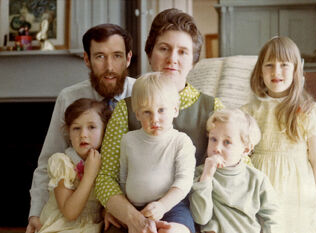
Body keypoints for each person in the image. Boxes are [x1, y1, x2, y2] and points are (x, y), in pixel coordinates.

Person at [95, 8, 225, 233]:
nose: (172, 59)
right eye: (164, 48)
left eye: (183, 52)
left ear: (193, 60)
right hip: (131, 211)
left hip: (185, 212)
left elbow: (234, 170)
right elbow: (106, 177)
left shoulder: (212, 108)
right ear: (150, 53)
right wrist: (131, 217)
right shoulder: (126, 109)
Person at [26, 23, 135, 233]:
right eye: (100, 57)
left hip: (126, 202)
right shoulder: (68, 97)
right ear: (87, 59)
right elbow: (47, 160)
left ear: (128, 58)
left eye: (117, 56)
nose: (110, 67)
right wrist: (35, 214)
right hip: (78, 209)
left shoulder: (142, 94)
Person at [241, 36, 316, 233]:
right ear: (260, 71)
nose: (276, 71)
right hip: (260, 190)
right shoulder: (249, 111)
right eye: (269, 65)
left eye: (284, 65)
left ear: (296, 70)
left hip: (296, 194)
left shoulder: (308, 111)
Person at [119, 72, 196, 232]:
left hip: (172, 207)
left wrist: (162, 205)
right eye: (147, 112)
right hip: (136, 209)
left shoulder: (181, 141)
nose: (154, 118)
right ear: (137, 114)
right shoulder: (128, 140)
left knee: (173, 231)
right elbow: (123, 177)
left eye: (161, 110)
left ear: (175, 110)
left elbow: (184, 182)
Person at [189, 109, 280, 233]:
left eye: (227, 142)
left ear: (245, 150)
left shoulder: (258, 180)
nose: (217, 148)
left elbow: (272, 219)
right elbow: (201, 218)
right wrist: (207, 176)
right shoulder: (200, 174)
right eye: (213, 139)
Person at [37, 98, 111, 233]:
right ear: (69, 133)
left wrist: (106, 212)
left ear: (104, 130)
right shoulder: (62, 162)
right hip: (63, 227)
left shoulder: (106, 163)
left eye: (92, 127)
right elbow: (70, 213)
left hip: (92, 227)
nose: (83, 135)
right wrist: (89, 175)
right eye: (76, 128)